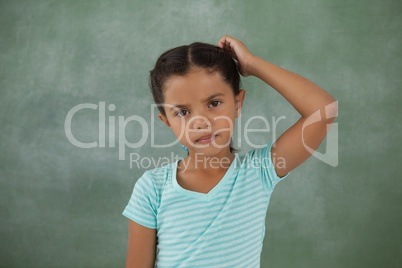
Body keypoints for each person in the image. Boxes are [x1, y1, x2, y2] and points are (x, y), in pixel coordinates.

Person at [123, 35, 338, 267]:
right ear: (166, 121)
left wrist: (252, 64)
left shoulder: (259, 171)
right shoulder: (152, 189)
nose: (201, 122)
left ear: (237, 104)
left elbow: (323, 110)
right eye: (183, 112)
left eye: (214, 104)